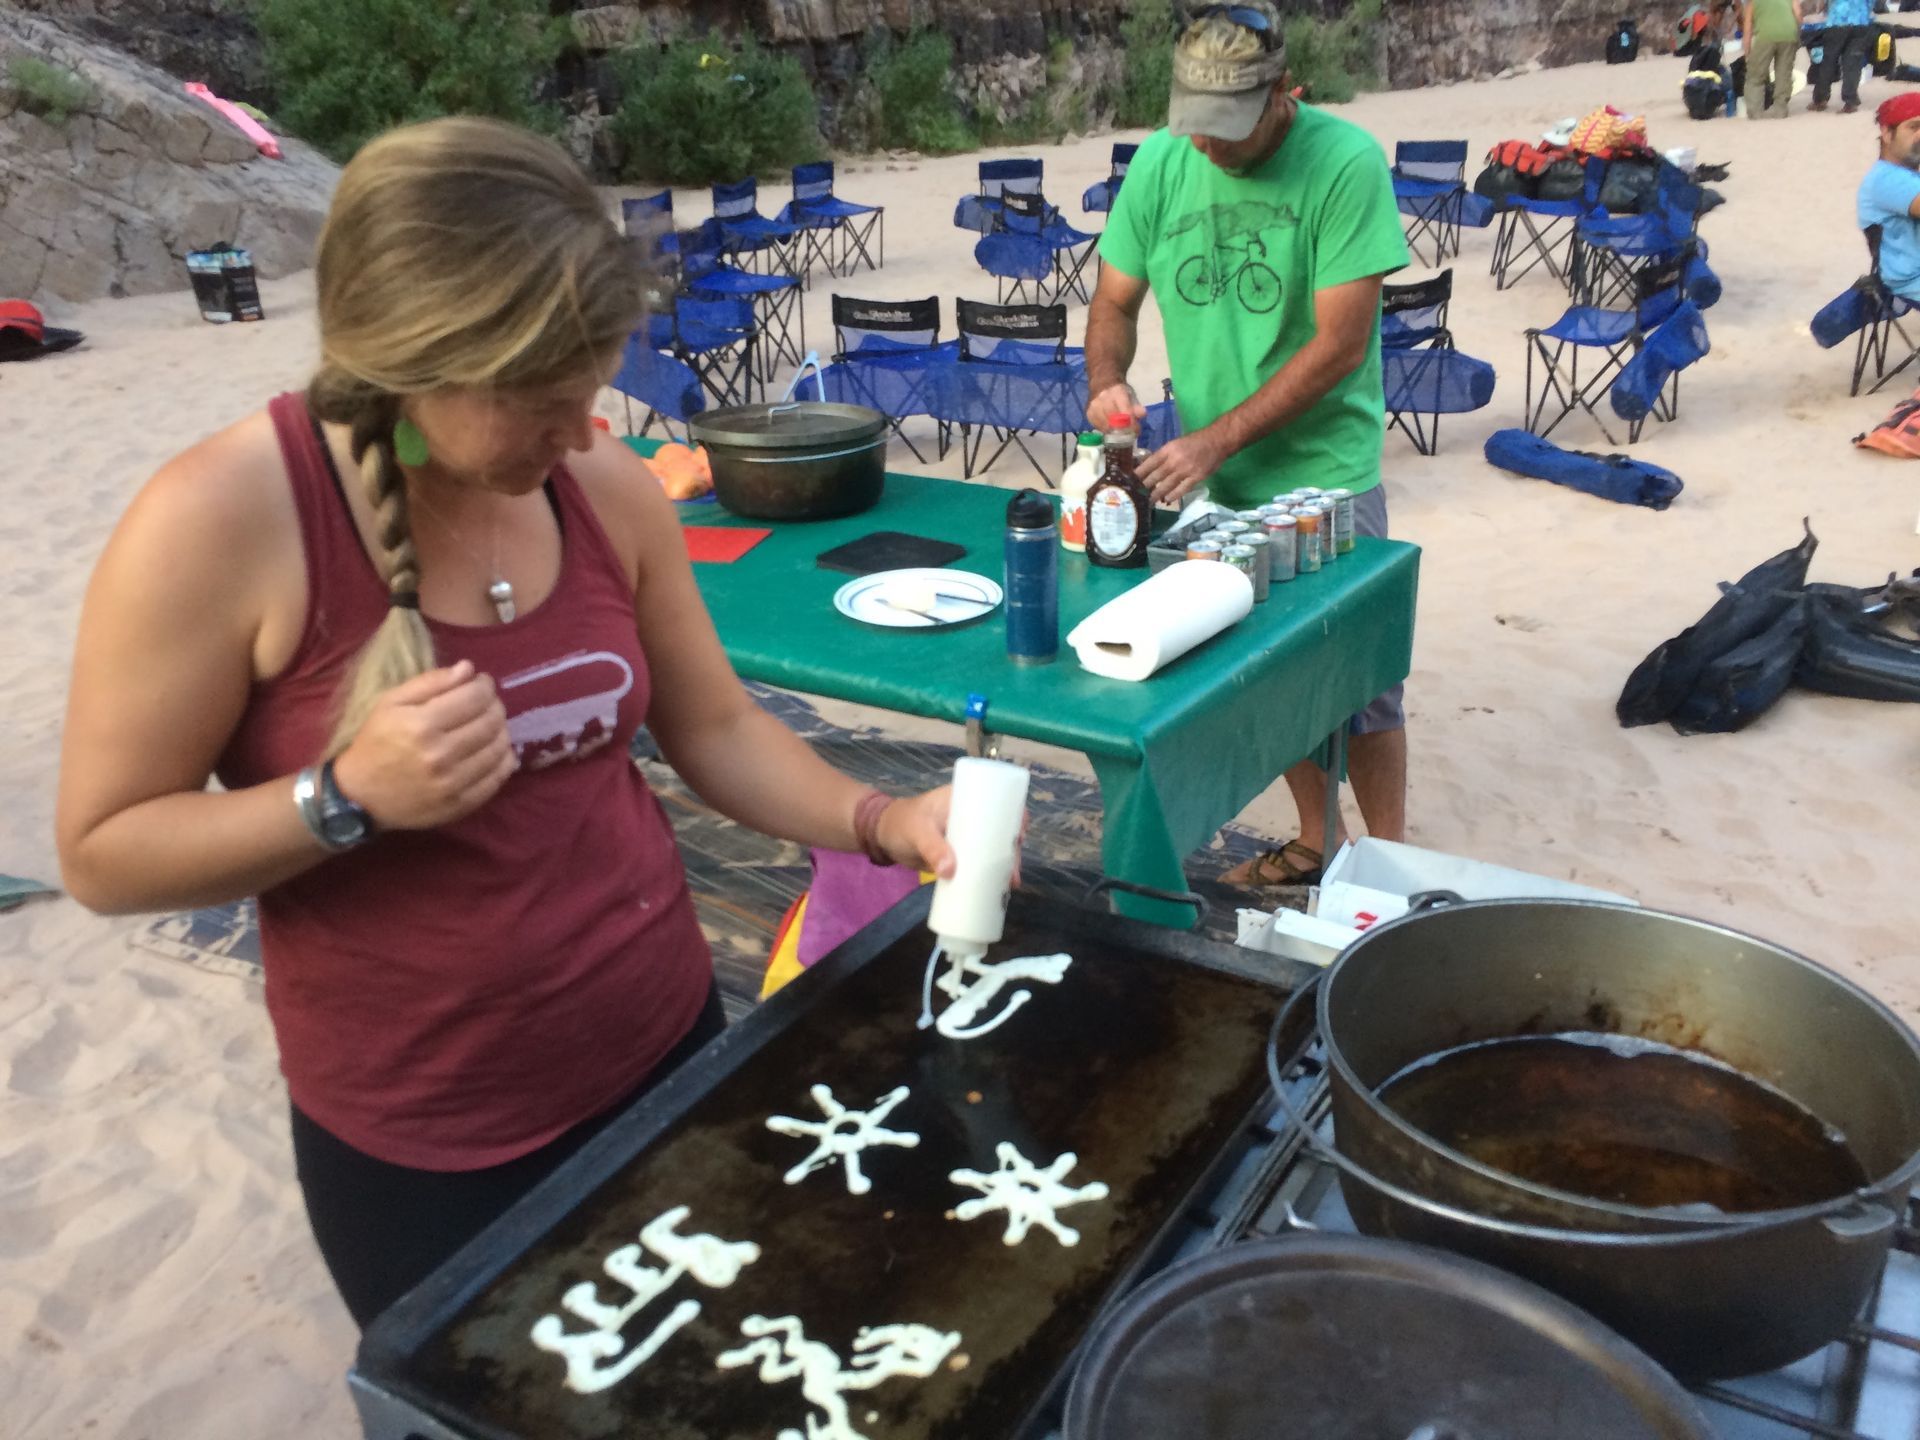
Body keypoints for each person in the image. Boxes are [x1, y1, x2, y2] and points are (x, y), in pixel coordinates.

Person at [54, 117, 961, 1330]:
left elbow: (718, 729)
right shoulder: (218, 521)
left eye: (594, 378)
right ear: (413, 360)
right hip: (432, 1144)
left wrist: (881, 816)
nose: (585, 424)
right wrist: (342, 798)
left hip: (668, 1047)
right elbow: (103, 852)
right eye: (545, 395)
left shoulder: (604, 486)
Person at [1083, 1, 1410, 887]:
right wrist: (1105, 380)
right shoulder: (1161, 161)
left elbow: (1340, 345)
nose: (1209, 150)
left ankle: (1387, 861)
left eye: (1228, 131)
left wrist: (1215, 442)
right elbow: (1112, 305)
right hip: (1216, 473)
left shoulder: (1342, 163)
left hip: (1324, 476)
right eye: (1197, 128)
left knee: (1362, 683)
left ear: (1282, 95)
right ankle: (1317, 841)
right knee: (1270, 679)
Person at [1859, 92, 1920, 300]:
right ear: (1887, 133)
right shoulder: (1887, 179)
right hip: (1912, 282)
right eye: (1913, 127)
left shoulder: (1909, 173)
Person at [1810, 0, 1874, 114]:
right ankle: (1850, 101)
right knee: (1852, 63)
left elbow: (1822, 4)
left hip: (1837, 20)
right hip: (1861, 20)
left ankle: (1821, 98)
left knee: (1829, 61)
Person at [1745, 0, 1806, 118]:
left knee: (1755, 76)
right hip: (1788, 34)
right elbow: (1798, 14)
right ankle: (1780, 110)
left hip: (1764, 35)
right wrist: (1796, 35)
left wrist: (1747, 49)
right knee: (1784, 73)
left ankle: (1755, 112)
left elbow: (1748, 24)